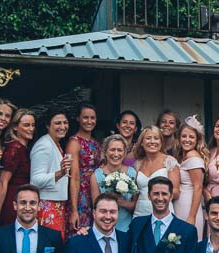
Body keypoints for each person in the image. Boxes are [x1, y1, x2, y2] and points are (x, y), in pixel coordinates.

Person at [30, 109, 72, 239]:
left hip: (57, 205)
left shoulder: (55, 143)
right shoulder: (44, 145)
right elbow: (35, 181)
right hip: (47, 205)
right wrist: (61, 173)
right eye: (58, 123)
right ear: (48, 125)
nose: (63, 127)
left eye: (65, 122)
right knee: (49, 244)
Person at [0, 109, 35, 227]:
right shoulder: (15, 148)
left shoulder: (24, 148)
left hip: (23, 201)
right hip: (12, 201)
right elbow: (3, 182)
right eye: (26, 125)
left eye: (33, 125)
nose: (31, 128)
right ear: (15, 127)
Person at [90, 134, 139, 232]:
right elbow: (96, 206)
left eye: (119, 150)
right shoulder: (96, 176)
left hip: (126, 227)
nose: (116, 154)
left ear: (125, 153)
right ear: (105, 152)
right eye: (112, 150)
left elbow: (136, 205)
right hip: (103, 227)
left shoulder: (132, 173)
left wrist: (122, 202)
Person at [67, 101, 101, 237]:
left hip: (95, 193)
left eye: (92, 118)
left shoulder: (96, 143)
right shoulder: (74, 142)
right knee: (79, 233)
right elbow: (74, 177)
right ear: (78, 118)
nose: (89, 121)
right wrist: (74, 210)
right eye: (85, 117)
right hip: (80, 195)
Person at [132, 126, 180, 218]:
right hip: (140, 212)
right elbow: (135, 194)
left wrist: (158, 197)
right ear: (141, 143)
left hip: (163, 210)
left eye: (156, 138)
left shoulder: (169, 161)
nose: (152, 141)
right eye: (148, 138)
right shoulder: (137, 164)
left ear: (161, 142)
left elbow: (176, 192)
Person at [173, 116, 207, 238]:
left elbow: (198, 187)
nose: (187, 140)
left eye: (191, 137)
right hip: (180, 205)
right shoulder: (182, 156)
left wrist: (192, 216)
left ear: (197, 140)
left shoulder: (193, 156)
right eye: (184, 136)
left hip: (188, 206)